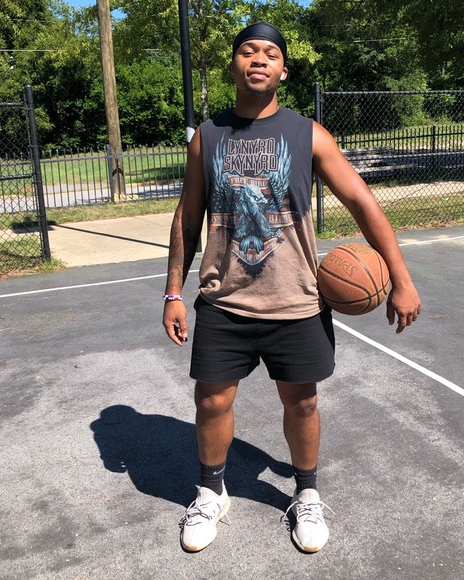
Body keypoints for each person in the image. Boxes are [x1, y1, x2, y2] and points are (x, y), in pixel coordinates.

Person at [163, 21, 421, 554]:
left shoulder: (308, 134)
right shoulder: (207, 137)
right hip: (224, 300)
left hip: (297, 301)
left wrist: (402, 278)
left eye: (270, 53)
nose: (258, 59)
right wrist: (172, 293)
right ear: (234, 65)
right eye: (248, 51)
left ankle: (306, 493)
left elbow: (362, 201)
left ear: (283, 70)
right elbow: (187, 218)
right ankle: (211, 493)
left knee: (302, 403)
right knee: (211, 400)